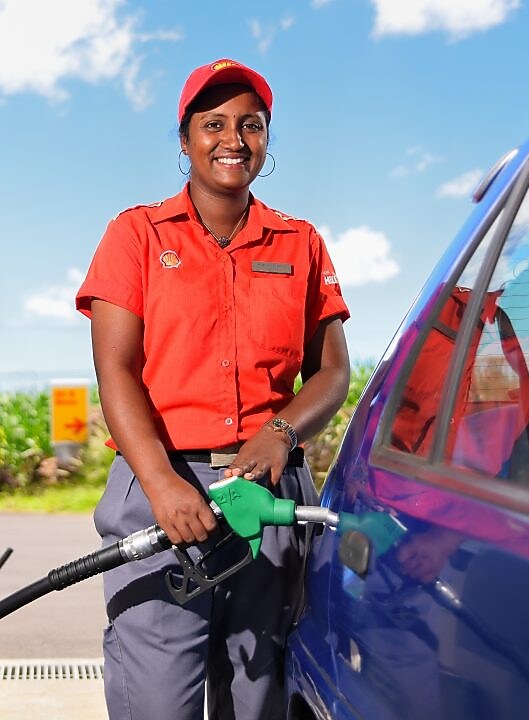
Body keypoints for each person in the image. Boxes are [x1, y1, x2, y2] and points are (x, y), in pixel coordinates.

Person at [75, 58, 351, 720]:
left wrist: (279, 433)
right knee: (156, 700)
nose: (234, 139)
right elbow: (116, 371)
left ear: (266, 138)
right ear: (185, 139)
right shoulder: (136, 235)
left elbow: (333, 372)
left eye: (251, 125)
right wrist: (163, 485)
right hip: (161, 489)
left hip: (269, 497)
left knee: (260, 700)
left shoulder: (301, 242)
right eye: (214, 124)